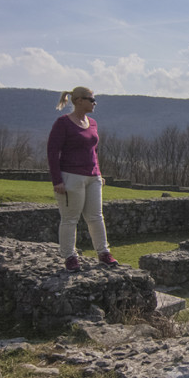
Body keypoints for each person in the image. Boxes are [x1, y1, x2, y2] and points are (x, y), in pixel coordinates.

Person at [47, 86, 118, 272]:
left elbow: (93, 151)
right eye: (91, 99)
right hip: (71, 176)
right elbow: (53, 153)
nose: (94, 103)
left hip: (92, 177)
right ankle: (69, 256)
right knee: (70, 218)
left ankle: (103, 252)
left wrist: (99, 173)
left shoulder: (92, 123)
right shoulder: (63, 123)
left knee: (96, 217)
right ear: (78, 100)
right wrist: (57, 181)